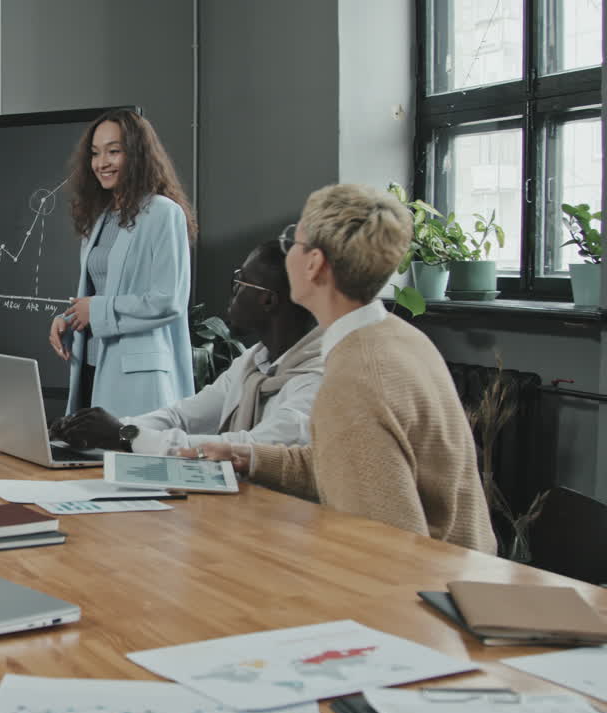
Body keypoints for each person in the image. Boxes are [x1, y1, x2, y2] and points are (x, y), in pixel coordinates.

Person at [180, 184, 496, 553]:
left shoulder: (355, 377)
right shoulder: (396, 336)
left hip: (431, 591)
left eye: (293, 244)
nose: (286, 255)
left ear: (314, 264)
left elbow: (386, 547)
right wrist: (252, 458)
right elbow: (356, 463)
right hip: (460, 569)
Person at [49, 239, 323, 454]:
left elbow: (246, 448)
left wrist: (125, 436)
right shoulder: (254, 362)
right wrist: (95, 429)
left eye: (239, 282)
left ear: (268, 301)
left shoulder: (317, 382)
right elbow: (183, 417)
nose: (232, 294)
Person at [48, 108, 196, 418]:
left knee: (125, 461)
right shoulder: (100, 217)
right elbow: (105, 287)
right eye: (95, 153)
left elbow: (169, 300)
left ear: (138, 155)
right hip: (90, 364)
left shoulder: (163, 213)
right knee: (87, 462)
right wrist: (70, 317)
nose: (102, 163)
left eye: (114, 151)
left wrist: (96, 310)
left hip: (136, 376)